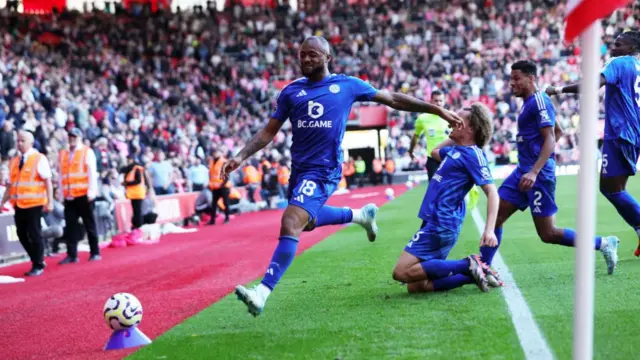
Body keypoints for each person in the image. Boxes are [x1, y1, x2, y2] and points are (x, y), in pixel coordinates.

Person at [223, 36, 463, 317]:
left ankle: (262, 292)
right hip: (300, 169)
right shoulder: (290, 92)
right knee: (307, 222)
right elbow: (268, 131)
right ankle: (360, 216)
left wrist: (437, 109)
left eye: (312, 54)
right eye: (302, 55)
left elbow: (393, 98)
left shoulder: (347, 85)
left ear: (328, 57)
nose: (306, 59)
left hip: (324, 169)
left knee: (291, 221)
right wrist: (240, 156)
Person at [483, 60, 619, 275]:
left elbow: (551, 139)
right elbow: (558, 131)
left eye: (517, 78)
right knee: (495, 216)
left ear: (531, 78)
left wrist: (535, 170)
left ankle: (603, 243)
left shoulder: (539, 102)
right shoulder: (532, 102)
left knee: (548, 233)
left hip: (537, 176)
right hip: (523, 172)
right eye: (511, 79)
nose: (512, 83)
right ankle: (484, 266)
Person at [547, 31, 640, 256]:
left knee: (611, 189)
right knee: (615, 188)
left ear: (630, 48)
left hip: (619, 133)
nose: (613, 47)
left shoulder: (618, 62)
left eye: (618, 44)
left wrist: (559, 90)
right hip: (633, 132)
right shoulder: (637, 66)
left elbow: (592, 86)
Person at [392, 103, 500, 293]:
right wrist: (456, 134)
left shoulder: (473, 155)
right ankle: (471, 274)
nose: (450, 120)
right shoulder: (454, 151)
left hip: (441, 223)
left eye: (457, 118)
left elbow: (492, 192)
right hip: (435, 221)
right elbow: (434, 152)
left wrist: (489, 230)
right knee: (417, 286)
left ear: (471, 127)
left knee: (401, 272)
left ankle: (467, 264)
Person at [0, 130, 54, 276]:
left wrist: (50, 201)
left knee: (34, 233)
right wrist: (2, 202)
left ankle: (38, 264)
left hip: (34, 203)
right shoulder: (14, 161)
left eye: (22, 140)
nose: (19, 143)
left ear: (31, 142)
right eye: (18, 140)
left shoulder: (39, 158)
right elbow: (10, 186)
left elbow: (47, 181)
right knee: (21, 234)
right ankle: (38, 259)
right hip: (19, 204)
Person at [58, 128, 101, 264]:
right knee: (70, 226)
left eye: (74, 136)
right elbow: (61, 176)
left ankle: (95, 252)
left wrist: (92, 191)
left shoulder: (86, 152)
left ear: (80, 137)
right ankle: (72, 255)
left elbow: (92, 173)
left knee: (89, 224)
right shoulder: (63, 154)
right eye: (70, 136)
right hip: (69, 196)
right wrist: (60, 194)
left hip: (84, 195)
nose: (71, 138)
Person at [409, 90, 450, 180]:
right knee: (434, 189)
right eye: (436, 101)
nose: (438, 103)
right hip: (433, 160)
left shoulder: (451, 116)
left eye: (441, 100)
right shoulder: (423, 118)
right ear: (431, 101)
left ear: (444, 101)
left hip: (449, 158)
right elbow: (416, 136)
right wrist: (411, 151)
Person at [121, 154, 153, 233]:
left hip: (137, 192)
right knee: (136, 210)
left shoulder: (136, 168)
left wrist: (126, 183)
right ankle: (137, 225)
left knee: (137, 210)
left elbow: (138, 180)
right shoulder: (136, 168)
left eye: (128, 159)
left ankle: (138, 226)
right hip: (134, 193)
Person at [208, 149, 231, 225]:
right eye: (213, 153)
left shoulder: (224, 161)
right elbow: (211, 174)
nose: (214, 154)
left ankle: (227, 218)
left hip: (223, 186)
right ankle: (212, 220)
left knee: (226, 203)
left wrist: (223, 184)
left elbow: (227, 174)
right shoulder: (211, 162)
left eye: (216, 152)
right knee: (213, 204)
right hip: (215, 187)